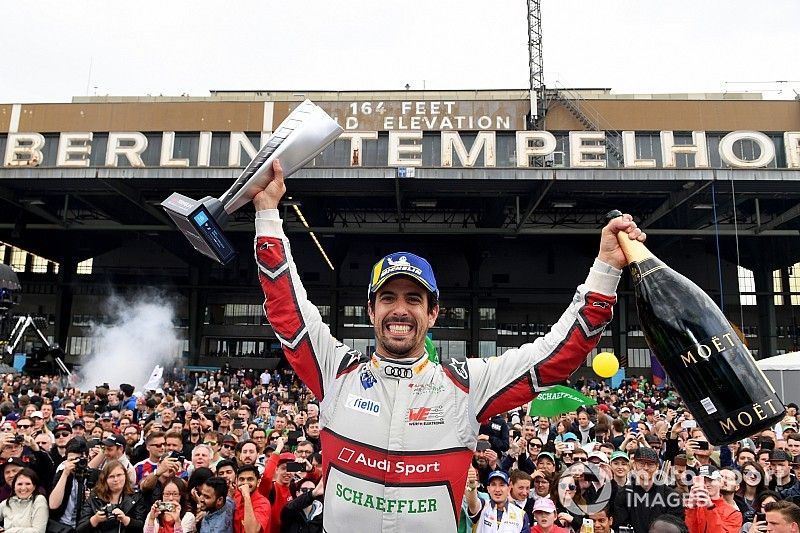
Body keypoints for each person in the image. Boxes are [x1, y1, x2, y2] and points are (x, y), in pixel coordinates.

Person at [252, 159, 644, 531]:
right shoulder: (336, 372)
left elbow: (557, 357)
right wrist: (268, 213)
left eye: (413, 299)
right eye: (388, 299)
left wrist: (606, 269)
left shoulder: (466, 385)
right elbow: (287, 309)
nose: (399, 311)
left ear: (433, 313)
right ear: (371, 311)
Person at [77, 459, 146, 532]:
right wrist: (95, 520)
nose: (116, 479)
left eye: (119, 475)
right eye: (111, 476)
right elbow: (80, 529)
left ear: (125, 476)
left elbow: (142, 526)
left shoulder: (136, 497)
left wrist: (125, 520)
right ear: (105, 479)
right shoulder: (94, 498)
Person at [684, 464, 742, 533]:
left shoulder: (734, 514)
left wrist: (710, 507)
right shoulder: (695, 507)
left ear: (720, 482)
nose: (707, 484)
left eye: (710, 480)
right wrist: (691, 509)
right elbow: (689, 530)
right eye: (703, 481)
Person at [233, 465, 270, 533]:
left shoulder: (263, 503)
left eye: (250, 479)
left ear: (258, 482)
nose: (245, 483)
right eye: (241, 479)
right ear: (236, 481)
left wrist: (246, 496)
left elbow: (251, 531)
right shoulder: (236, 498)